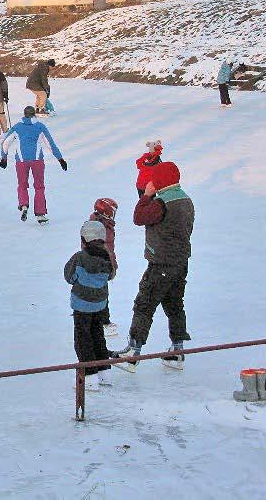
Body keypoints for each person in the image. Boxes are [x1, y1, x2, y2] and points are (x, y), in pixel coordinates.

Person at [114, 161, 194, 373]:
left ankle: (133, 353)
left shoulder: (161, 203)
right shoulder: (186, 199)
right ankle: (177, 350)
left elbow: (138, 218)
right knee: (175, 304)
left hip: (161, 264)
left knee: (144, 303)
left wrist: (146, 196)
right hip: (180, 262)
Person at [64, 220, 115, 391]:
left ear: (84, 240)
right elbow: (110, 276)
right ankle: (104, 372)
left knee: (83, 338)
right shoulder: (107, 256)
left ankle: (89, 376)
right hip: (100, 304)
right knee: (97, 335)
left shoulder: (79, 257)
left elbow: (69, 277)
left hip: (82, 305)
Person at [0, 105, 68, 224]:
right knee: (39, 186)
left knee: (22, 184)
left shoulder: (17, 127)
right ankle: (40, 214)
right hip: (37, 161)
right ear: (34, 115)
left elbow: (5, 143)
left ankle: (24, 204)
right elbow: (50, 144)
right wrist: (60, 159)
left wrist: (4, 157)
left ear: (24, 114)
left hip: (21, 160)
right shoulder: (40, 127)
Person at [90, 198, 120, 337]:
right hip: (99, 267)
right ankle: (103, 322)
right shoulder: (99, 227)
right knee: (100, 295)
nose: (113, 215)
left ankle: (102, 321)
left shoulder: (105, 225)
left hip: (102, 266)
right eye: (111, 212)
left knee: (101, 294)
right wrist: (111, 266)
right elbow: (106, 250)